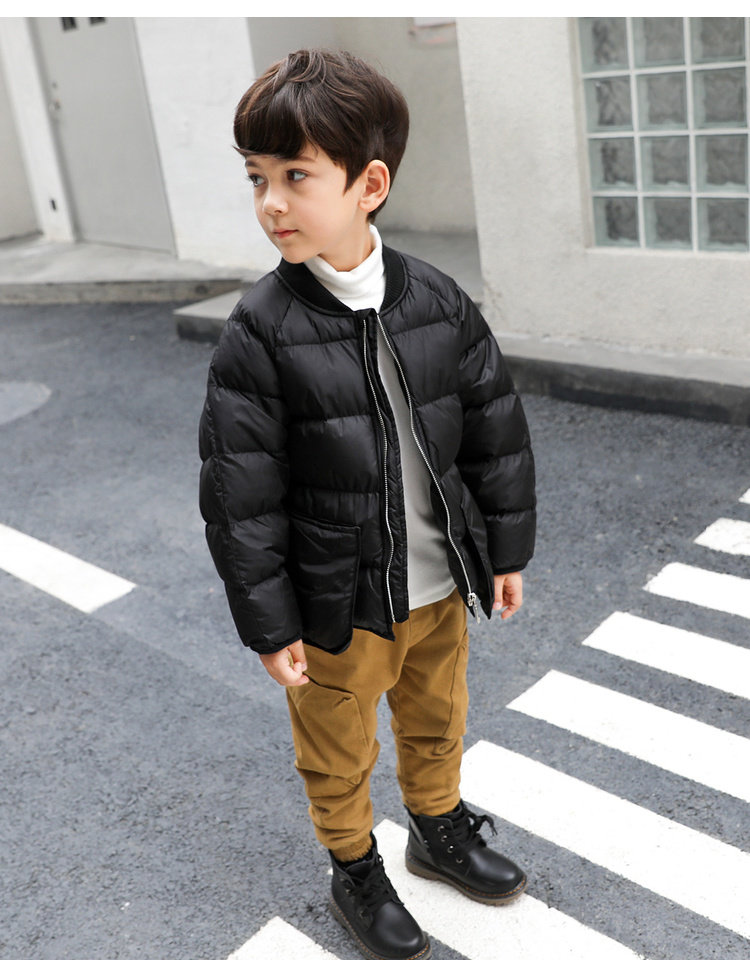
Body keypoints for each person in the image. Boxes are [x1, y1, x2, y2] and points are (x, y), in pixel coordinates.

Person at [199, 49, 536, 960]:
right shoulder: (260, 331)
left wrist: (505, 552)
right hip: (339, 603)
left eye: (295, 176)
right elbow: (240, 495)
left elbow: (495, 431)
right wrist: (271, 624)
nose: (271, 202)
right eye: (257, 178)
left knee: (438, 718)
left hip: (439, 585)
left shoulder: (438, 300)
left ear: (369, 185)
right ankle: (354, 866)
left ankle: (437, 828)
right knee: (337, 749)